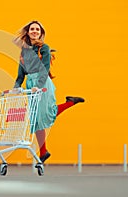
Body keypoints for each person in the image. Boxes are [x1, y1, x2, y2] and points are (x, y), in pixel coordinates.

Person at [13, 20, 84, 163]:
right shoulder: (24, 51)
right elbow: (21, 73)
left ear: (40, 33)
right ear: (27, 32)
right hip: (30, 84)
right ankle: (43, 152)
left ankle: (70, 102)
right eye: (32, 29)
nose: (35, 31)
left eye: (37, 30)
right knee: (36, 119)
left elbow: (44, 68)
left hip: (42, 82)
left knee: (45, 114)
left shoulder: (44, 48)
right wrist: (16, 86)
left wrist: (38, 85)